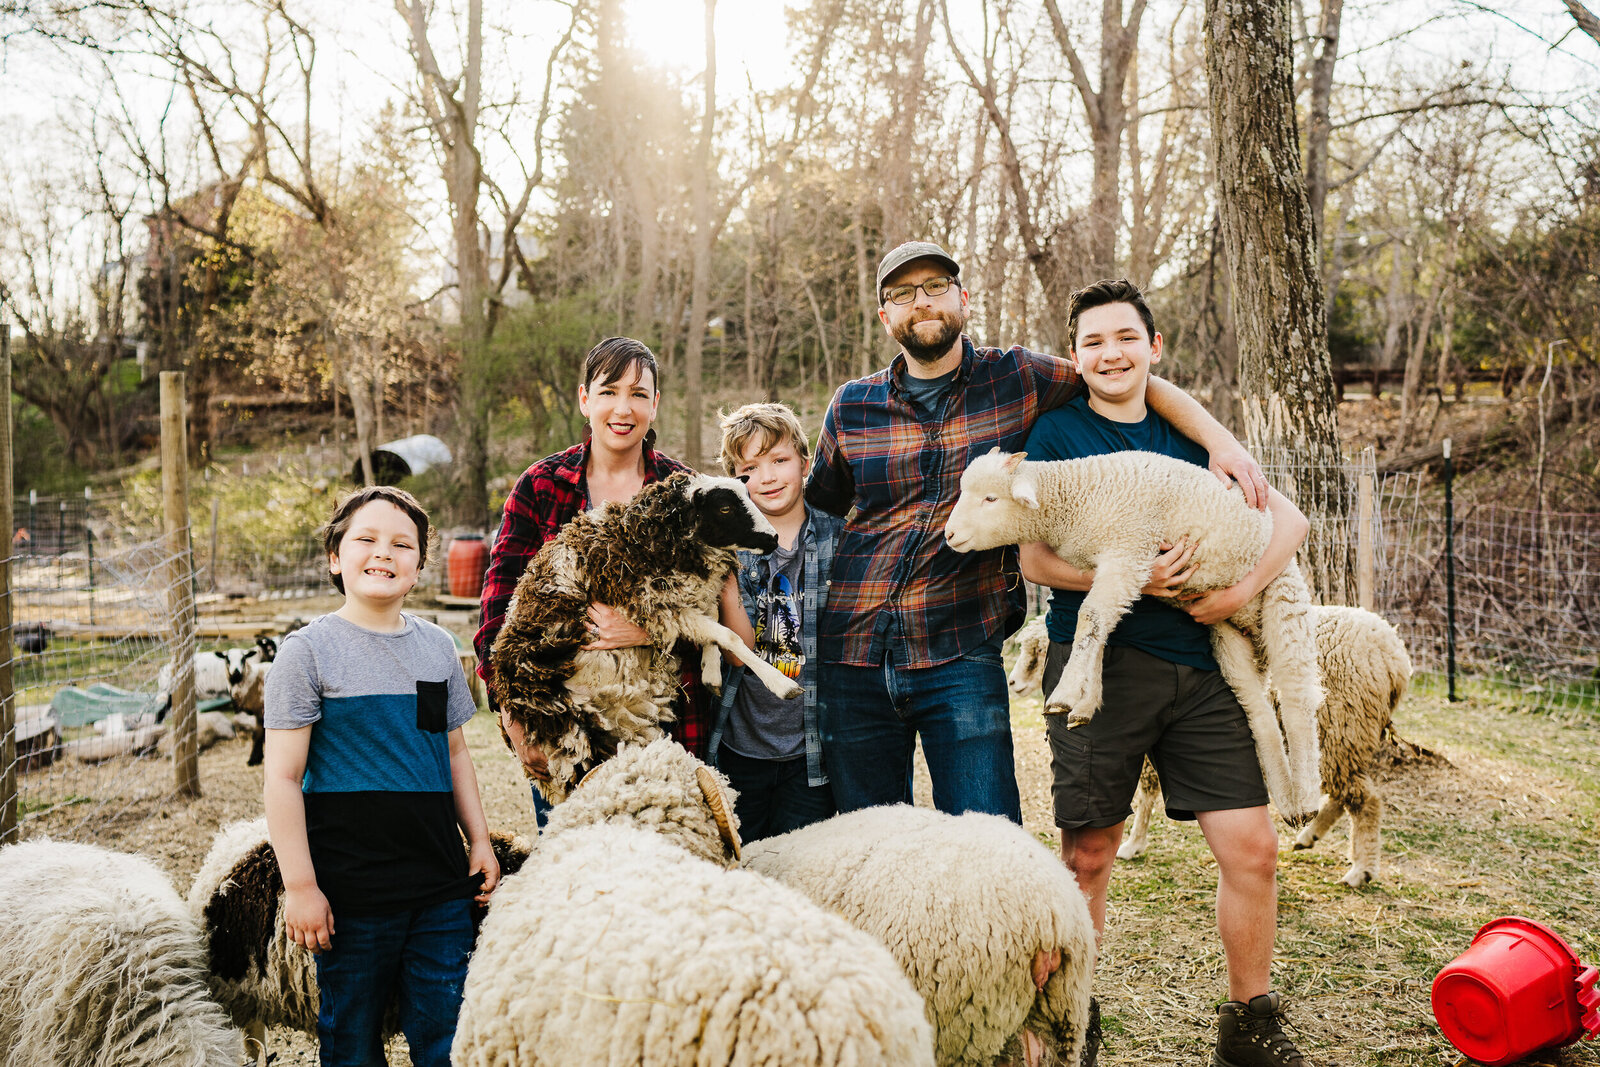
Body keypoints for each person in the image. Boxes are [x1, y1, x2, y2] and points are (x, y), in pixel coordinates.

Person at [805, 240, 1269, 823]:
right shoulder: (851, 406)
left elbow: (1125, 374)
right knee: (868, 841)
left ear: (963, 299)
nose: (920, 303)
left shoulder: (1019, 378)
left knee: (990, 843)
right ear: (884, 316)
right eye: (901, 294)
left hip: (959, 649)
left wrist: (1221, 441)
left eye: (934, 288)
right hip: (855, 652)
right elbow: (815, 513)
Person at [1020, 279, 1312, 1067]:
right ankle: (1070, 1018)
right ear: (1074, 357)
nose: (1110, 353)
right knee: (1087, 855)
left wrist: (1239, 593)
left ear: (1155, 347)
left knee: (1252, 848)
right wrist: (1131, 577)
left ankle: (1250, 1024)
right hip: (1102, 672)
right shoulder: (1056, 436)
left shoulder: (1203, 444)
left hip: (1203, 668)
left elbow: (1287, 519)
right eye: (1093, 342)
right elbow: (1035, 555)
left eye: (1125, 337)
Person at [263, 485, 499, 1067]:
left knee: (447, 1036)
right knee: (352, 1041)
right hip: (351, 893)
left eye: (402, 544)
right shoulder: (306, 654)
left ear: (419, 566)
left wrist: (482, 840)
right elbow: (283, 780)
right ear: (334, 558)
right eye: (365, 539)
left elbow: (454, 754)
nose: (383, 553)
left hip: (439, 887)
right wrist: (301, 887)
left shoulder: (438, 649)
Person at [473, 336, 711, 823]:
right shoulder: (541, 487)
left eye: (638, 394)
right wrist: (518, 720)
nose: (623, 408)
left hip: (664, 730)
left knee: (662, 872)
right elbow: (498, 611)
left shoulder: (686, 495)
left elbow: (713, 608)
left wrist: (648, 629)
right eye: (608, 392)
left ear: (655, 404)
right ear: (585, 399)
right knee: (576, 879)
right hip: (567, 725)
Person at [710, 402, 840, 840]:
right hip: (740, 748)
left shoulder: (839, 538)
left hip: (813, 752)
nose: (767, 477)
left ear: (805, 463)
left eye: (779, 461)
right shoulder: (727, 550)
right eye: (750, 468)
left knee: (802, 872)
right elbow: (738, 655)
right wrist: (724, 569)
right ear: (735, 481)